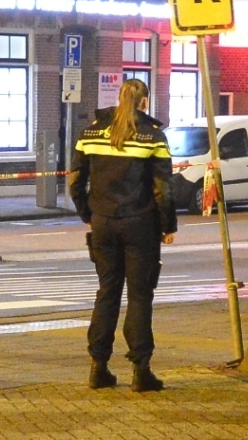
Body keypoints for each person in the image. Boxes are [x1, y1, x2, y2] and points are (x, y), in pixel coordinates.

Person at [70, 77, 176, 392]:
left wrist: (88, 215)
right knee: (140, 295)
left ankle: (98, 367)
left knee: (107, 292)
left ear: (118, 98)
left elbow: (76, 180)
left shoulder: (91, 132)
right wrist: (168, 226)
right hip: (140, 225)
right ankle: (141, 371)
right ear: (144, 102)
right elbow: (163, 189)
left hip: (103, 223)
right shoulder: (152, 136)